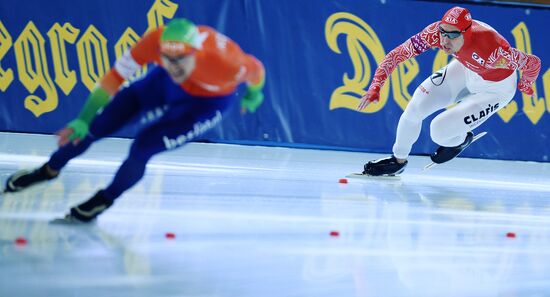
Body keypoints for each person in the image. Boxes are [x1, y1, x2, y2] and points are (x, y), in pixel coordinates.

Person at [4, 18, 265, 222]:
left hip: (207, 103)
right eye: (167, 58)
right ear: (159, 50)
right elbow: (112, 79)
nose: (174, 65)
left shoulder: (226, 61)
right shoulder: (153, 41)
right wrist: (82, 119)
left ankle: (105, 199)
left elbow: (257, 71)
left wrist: (253, 96)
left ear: (196, 53)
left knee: (143, 147)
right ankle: (48, 170)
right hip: (162, 85)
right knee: (96, 126)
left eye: (180, 59)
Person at [357, 6, 541, 176]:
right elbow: (395, 56)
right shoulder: (434, 34)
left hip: (496, 89)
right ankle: (398, 160)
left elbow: (533, 63)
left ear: (467, 34)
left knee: (439, 131)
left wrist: (525, 84)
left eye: (452, 35)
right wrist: (375, 86)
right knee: (415, 107)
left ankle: (459, 141)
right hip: (467, 70)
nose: (444, 40)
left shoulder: (494, 51)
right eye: (442, 32)